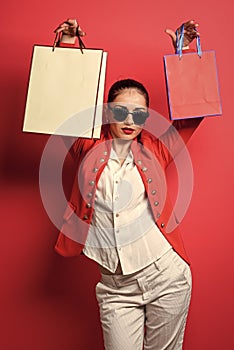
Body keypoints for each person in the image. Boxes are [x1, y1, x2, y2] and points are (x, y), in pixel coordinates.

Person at [54, 18, 202, 350]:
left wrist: (185, 53)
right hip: (115, 288)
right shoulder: (86, 147)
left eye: (139, 113)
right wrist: (66, 47)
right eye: (121, 111)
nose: (130, 120)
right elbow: (62, 107)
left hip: (167, 276)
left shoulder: (157, 149)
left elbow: (192, 115)